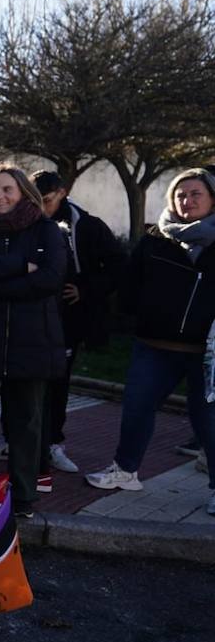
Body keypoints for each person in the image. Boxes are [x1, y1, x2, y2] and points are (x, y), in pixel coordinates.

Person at [87, 169, 215, 516]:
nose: (186, 201)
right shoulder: (156, 239)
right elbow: (129, 287)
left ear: (212, 198)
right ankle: (125, 471)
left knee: (208, 422)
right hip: (154, 346)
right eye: (179, 194)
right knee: (136, 409)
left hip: (207, 354)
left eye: (195, 194)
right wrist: (138, 317)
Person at [0, 165, 66, 518]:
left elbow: (51, 278)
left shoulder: (46, 230)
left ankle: (24, 495)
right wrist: (21, 265)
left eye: (7, 189)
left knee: (26, 421)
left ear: (23, 191)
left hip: (33, 340)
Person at [31, 171, 127, 475]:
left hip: (68, 319)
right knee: (23, 380)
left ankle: (53, 442)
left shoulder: (89, 226)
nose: (41, 207)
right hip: (28, 315)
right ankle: (20, 438)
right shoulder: (23, 218)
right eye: (35, 201)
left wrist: (85, 289)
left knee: (57, 382)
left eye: (46, 201)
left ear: (62, 193)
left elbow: (117, 267)